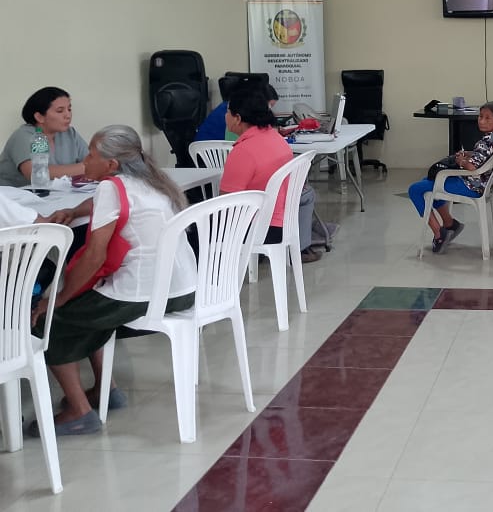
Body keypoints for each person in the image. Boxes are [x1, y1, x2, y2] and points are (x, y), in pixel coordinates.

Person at [26, 125, 196, 437]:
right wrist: (74, 210)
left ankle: (79, 412)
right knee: (87, 303)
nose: (85, 161)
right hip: (182, 288)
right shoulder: (152, 180)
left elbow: (94, 257)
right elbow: (100, 205)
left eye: (91, 155)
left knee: (49, 322)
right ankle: (106, 390)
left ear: (111, 164)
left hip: (142, 294)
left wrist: (58, 299)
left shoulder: (111, 187)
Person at [220, 87, 320, 263]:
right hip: (284, 224)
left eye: (228, 111)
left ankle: (210, 277)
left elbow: (226, 204)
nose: (225, 116)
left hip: (260, 229)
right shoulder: (276, 139)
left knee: (191, 228)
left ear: (238, 118)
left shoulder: (243, 151)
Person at [408, 101, 493, 253]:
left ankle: (439, 234)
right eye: (480, 116)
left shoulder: (485, 141)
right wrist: (470, 154)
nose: (481, 121)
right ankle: (450, 224)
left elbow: (472, 167)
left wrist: (461, 161)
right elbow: (484, 156)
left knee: (415, 190)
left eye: (487, 118)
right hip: (483, 184)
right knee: (428, 182)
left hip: (471, 186)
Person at [0, 86, 89, 187]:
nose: (68, 115)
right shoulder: (24, 135)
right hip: (15, 194)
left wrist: (92, 166)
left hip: (59, 193)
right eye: (60, 111)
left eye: (69, 109)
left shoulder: (70, 133)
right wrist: (86, 167)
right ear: (39, 117)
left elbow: (93, 161)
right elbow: (36, 173)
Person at [195, 83, 280, 143]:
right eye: (269, 106)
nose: (269, 111)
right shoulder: (233, 113)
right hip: (209, 153)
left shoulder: (238, 107)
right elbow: (238, 142)